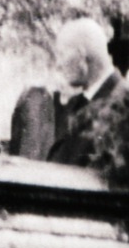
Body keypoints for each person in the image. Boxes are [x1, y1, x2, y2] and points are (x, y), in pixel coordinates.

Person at [46, 18, 122, 166]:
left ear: (81, 56)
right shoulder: (80, 103)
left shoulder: (120, 107)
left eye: (61, 54)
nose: (58, 65)